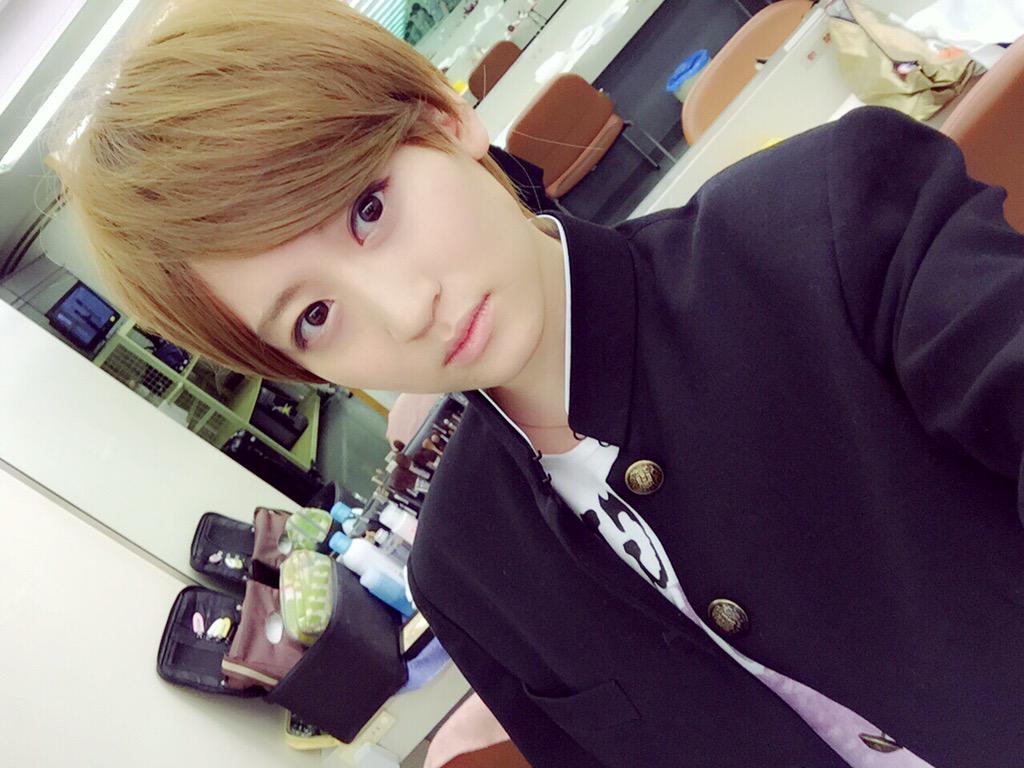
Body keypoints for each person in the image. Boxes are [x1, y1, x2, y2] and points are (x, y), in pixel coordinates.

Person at [51, 1, 1024, 766]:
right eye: (313, 317)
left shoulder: (826, 223)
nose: (405, 311)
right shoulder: (462, 570)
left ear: (445, 120)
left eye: (368, 208)